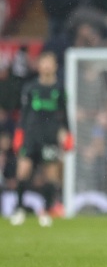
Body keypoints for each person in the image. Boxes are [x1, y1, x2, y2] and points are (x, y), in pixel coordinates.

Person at [10, 51, 74, 227]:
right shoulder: (30, 87)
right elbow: (23, 115)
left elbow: (64, 115)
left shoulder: (59, 89)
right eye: (43, 62)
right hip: (31, 135)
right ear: (39, 66)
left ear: (54, 66)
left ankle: (46, 211)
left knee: (51, 175)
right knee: (23, 171)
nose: (46, 66)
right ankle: (19, 209)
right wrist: (19, 134)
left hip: (50, 136)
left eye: (49, 62)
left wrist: (68, 134)